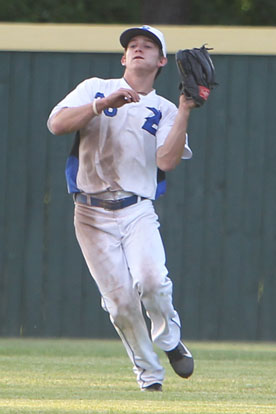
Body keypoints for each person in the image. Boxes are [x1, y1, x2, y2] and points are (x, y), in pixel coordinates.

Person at [47, 25, 195, 392]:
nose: (139, 48)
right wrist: (100, 105)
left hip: (136, 209)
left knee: (151, 280)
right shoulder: (95, 87)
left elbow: (168, 160)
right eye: (133, 45)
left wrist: (186, 110)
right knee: (120, 304)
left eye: (148, 45)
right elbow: (56, 124)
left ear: (161, 61)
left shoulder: (163, 108)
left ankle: (169, 339)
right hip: (90, 212)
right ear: (123, 58)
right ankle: (150, 379)